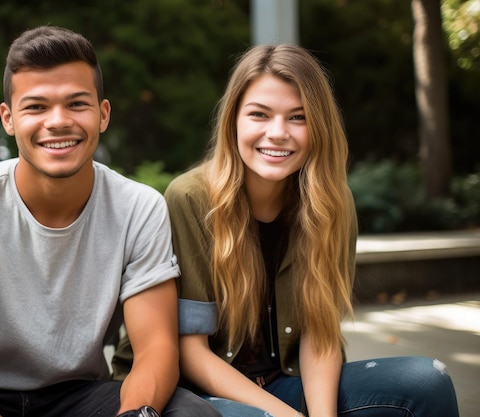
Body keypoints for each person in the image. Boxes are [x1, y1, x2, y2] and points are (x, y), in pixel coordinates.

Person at [0, 25, 221, 417]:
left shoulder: (139, 207)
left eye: (76, 104)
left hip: (77, 397)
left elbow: (156, 348)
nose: (58, 121)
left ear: (102, 114)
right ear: (8, 118)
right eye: (36, 107)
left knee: (193, 415)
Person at [160, 44, 461, 417]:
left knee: (426, 382)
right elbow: (191, 352)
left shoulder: (331, 203)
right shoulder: (191, 199)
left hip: (288, 382)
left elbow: (320, 335)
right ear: (233, 120)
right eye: (259, 114)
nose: (278, 132)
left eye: (298, 117)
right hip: (201, 394)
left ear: (318, 126)